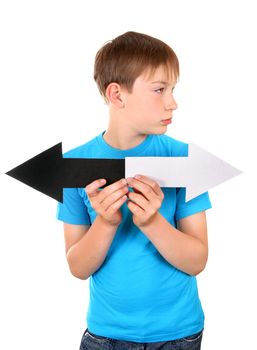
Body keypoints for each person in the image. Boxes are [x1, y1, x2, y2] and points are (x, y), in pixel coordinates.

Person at [56, 31, 212, 350]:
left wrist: (152, 223)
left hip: (179, 335)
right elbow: (78, 267)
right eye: (159, 89)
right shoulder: (74, 165)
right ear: (117, 95)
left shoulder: (184, 159)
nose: (173, 102)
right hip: (105, 335)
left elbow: (197, 260)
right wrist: (106, 222)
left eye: (172, 89)